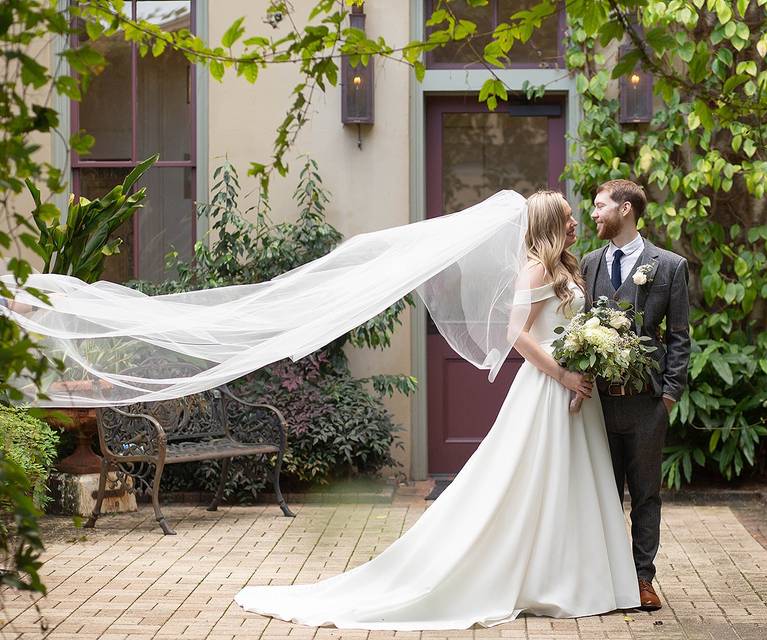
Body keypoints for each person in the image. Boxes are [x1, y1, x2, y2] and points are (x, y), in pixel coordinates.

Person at [233, 190, 643, 629]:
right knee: (527, 479)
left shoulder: (566, 266)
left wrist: (585, 362)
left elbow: (567, 327)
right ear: (548, 224)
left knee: (571, 480)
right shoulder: (536, 269)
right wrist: (563, 376)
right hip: (546, 388)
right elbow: (517, 335)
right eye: (566, 218)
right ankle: (542, 577)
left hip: (576, 387)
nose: (575, 222)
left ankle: (575, 576)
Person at [580, 179, 691, 611]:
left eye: (599, 206)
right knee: (602, 491)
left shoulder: (669, 266)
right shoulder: (588, 264)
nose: (593, 213)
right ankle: (607, 579)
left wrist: (668, 396)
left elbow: (680, 337)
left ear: (625, 210)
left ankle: (643, 579)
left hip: (647, 404)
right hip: (598, 404)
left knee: (646, 494)